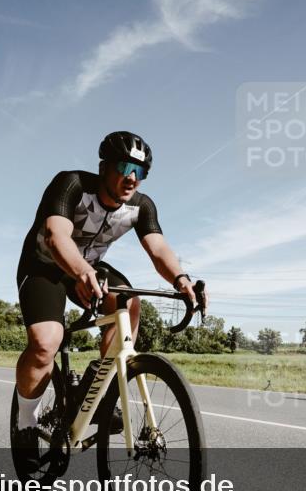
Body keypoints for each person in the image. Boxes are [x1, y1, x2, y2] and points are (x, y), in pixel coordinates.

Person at [13, 131, 207, 441]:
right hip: (44, 266)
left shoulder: (141, 207)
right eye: (126, 168)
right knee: (46, 343)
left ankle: (97, 389)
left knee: (129, 303)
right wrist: (80, 272)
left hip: (89, 268)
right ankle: (25, 421)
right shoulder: (72, 184)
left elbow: (158, 250)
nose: (133, 178)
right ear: (104, 168)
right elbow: (55, 236)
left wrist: (181, 280)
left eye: (141, 172)